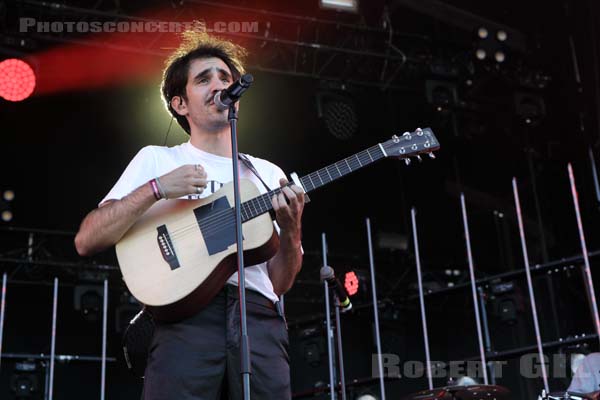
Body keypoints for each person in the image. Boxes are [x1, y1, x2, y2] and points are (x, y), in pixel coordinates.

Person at [74, 31, 305, 399]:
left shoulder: (265, 172)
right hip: (185, 321)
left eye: (225, 78)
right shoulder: (159, 160)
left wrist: (291, 233)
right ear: (180, 104)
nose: (219, 84)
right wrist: (157, 189)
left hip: (259, 319)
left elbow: (278, 282)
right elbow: (88, 239)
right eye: (204, 79)